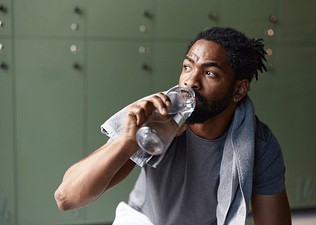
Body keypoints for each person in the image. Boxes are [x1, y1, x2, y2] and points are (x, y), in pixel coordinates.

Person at [54, 27, 292, 224]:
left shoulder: (259, 145)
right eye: (187, 67)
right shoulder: (158, 119)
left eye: (209, 73)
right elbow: (66, 199)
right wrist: (128, 141)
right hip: (143, 219)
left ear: (239, 89)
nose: (190, 81)